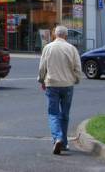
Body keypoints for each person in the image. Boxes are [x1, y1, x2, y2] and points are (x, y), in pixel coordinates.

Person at [37, 25, 82, 155]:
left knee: (53, 114)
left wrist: (41, 80)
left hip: (52, 84)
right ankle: (64, 143)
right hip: (67, 85)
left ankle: (58, 138)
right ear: (66, 36)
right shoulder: (72, 49)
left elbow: (42, 68)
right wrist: (76, 80)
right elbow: (78, 68)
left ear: (54, 35)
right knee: (65, 115)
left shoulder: (48, 48)